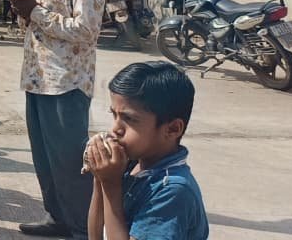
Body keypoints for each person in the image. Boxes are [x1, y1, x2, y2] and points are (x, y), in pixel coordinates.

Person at [11, 0, 106, 239]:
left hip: (66, 82)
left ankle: (82, 228)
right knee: (45, 159)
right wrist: (26, 12)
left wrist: (35, 12)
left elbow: (86, 30)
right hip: (38, 79)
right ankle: (57, 217)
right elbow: (39, 23)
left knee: (69, 162)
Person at [87, 62, 209, 240]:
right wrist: (100, 180)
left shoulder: (172, 191)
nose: (115, 129)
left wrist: (111, 185)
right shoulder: (131, 163)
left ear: (173, 129)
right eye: (114, 115)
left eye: (128, 119)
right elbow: (95, 236)